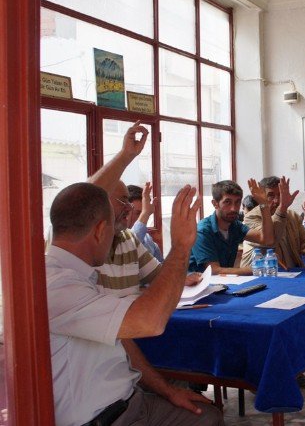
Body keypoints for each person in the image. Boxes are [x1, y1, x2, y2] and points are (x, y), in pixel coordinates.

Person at [46, 182, 222, 426]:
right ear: (99, 231)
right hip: (101, 419)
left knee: (208, 417)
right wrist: (181, 247)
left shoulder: (81, 274)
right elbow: (151, 322)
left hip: (130, 402)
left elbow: (123, 341)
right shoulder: (56, 284)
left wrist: (169, 391)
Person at [88, 122, 200, 295]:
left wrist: (183, 275)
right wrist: (125, 156)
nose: (128, 208)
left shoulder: (128, 239)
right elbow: (86, 195)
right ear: (101, 203)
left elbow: (161, 278)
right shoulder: (81, 239)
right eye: (122, 201)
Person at [241, 175, 305, 269]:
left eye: (280, 195)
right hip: (262, 277)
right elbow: (270, 240)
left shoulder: (292, 216)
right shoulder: (251, 217)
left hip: (293, 275)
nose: (277, 200)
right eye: (271, 195)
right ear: (260, 197)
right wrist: (282, 209)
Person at [189, 179, 273, 274]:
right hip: (195, 286)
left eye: (237, 202)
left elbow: (267, 240)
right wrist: (254, 269)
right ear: (215, 203)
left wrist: (264, 205)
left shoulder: (235, 225)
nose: (233, 208)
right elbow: (214, 270)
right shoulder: (202, 231)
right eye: (227, 202)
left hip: (223, 284)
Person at [127, 182, 163, 262]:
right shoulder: (113, 239)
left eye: (144, 213)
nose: (142, 218)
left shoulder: (148, 239)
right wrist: (145, 213)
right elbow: (129, 245)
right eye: (138, 213)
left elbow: (163, 269)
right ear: (125, 210)